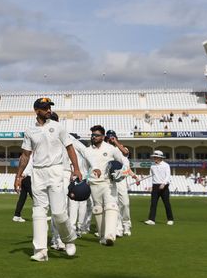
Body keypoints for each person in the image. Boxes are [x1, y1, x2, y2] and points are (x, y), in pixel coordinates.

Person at [14, 97, 82, 262]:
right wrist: (18, 176)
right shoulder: (30, 130)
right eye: (45, 108)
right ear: (37, 111)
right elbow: (25, 155)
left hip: (56, 170)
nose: (49, 111)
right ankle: (41, 251)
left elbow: (70, 147)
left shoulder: (58, 127)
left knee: (58, 213)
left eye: (49, 108)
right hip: (38, 173)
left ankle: (68, 239)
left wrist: (76, 168)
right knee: (38, 211)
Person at [85, 125, 127, 246]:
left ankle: (110, 236)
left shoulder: (110, 148)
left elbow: (122, 162)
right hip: (93, 183)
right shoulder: (87, 150)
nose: (94, 137)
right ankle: (103, 237)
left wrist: (119, 173)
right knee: (98, 209)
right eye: (92, 135)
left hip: (108, 182)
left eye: (97, 135)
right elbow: (85, 168)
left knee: (111, 206)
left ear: (103, 137)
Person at [105, 129, 136, 237]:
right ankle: (118, 227)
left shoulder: (123, 148)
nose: (111, 139)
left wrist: (134, 176)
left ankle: (126, 225)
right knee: (115, 204)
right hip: (111, 179)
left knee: (125, 203)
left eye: (113, 137)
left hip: (122, 179)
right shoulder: (107, 149)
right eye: (109, 138)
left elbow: (126, 154)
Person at [144, 150, 174, 225]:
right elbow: (150, 177)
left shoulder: (166, 165)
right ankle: (151, 220)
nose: (154, 158)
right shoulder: (152, 166)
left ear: (160, 158)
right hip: (155, 186)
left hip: (164, 186)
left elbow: (168, 176)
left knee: (166, 203)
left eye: (156, 157)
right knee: (153, 203)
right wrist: (150, 186)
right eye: (154, 157)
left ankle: (170, 219)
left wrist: (163, 183)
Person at [12, 155, 33, 222]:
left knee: (22, 197)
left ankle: (16, 215)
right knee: (36, 198)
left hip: (23, 177)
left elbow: (20, 167)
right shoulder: (32, 155)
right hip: (27, 177)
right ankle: (41, 216)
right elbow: (29, 166)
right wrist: (23, 175)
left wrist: (19, 177)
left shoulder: (23, 156)